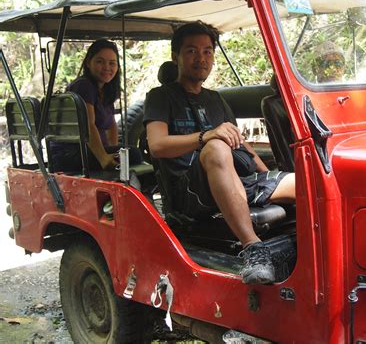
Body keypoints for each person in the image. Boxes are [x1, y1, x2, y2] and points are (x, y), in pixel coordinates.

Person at [144, 21, 296, 285]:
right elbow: (157, 145)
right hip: (190, 190)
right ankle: (253, 250)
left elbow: (241, 143)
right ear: (176, 56)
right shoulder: (160, 96)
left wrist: (266, 172)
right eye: (191, 51)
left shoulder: (215, 99)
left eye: (207, 51)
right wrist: (206, 136)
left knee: (307, 185)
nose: (201, 58)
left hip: (233, 180)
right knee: (215, 146)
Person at [50, 39, 142, 172]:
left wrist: (114, 150)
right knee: (134, 154)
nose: (107, 67)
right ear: (88, 63)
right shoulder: (83, 86)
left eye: (112, 63)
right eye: (100, 61)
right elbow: (88, 125)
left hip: (88, 152)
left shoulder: (105, 90)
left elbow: (111, 126)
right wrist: (104, 158)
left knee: (128, 153)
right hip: (70, 154)